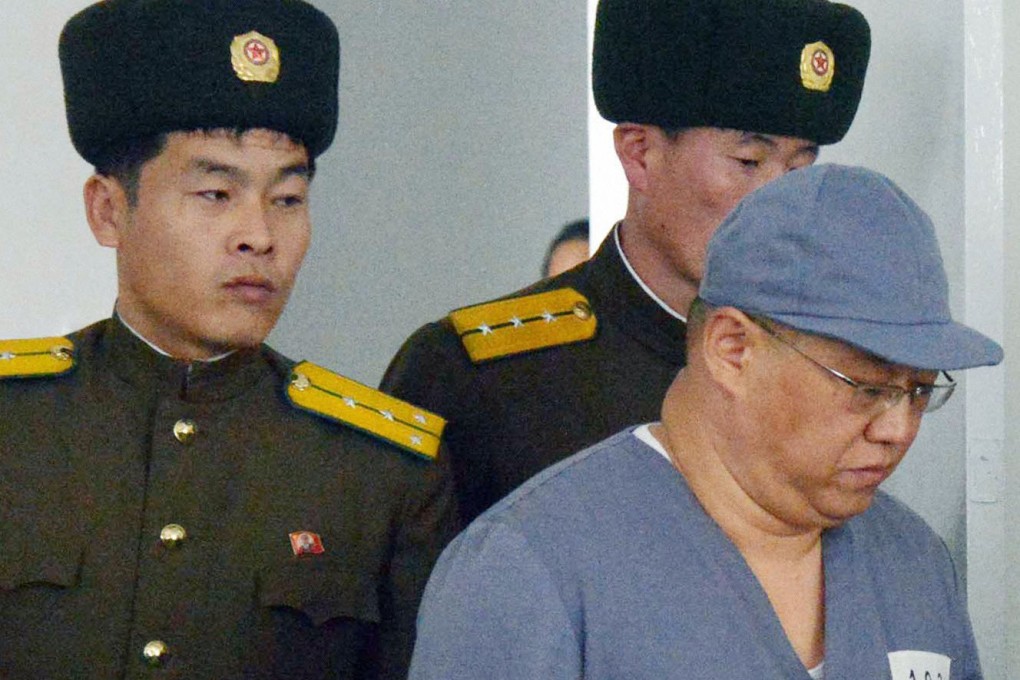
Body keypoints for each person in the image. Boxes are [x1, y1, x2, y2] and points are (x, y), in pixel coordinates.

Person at [0, 2, 457, 678]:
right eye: (216, 194)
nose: (259, 236)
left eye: (287, 199)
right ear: (108, 210)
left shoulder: (380, 471)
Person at [407, 164, 1003, 679]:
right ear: (732, 350)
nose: (897, 429)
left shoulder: (912, 562)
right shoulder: (530, 569)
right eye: (867, 388)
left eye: (920, 391)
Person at [380, 0, 873, 523]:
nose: (780, 205)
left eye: (799, 169)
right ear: (640, 154)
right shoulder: (477, 378)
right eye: (748, 161)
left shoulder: (825, 366)